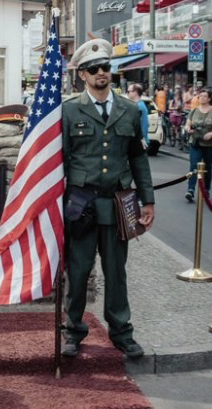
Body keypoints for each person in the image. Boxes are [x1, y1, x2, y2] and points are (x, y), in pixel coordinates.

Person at [61, 39, 154, 360]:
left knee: (117, 272)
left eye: (105, 68)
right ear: (82, 76)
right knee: (78, 270)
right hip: (81, 204)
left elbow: (138, 160)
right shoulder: (69, 110)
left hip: (119, 203)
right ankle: (72, 330)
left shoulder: (129, 109)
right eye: (94, 69)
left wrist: (148, 201)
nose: (102, 73)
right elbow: (59, 158)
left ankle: (122, 332)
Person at [184, 89, 212, 203]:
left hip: (210, 144)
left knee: (207, 167)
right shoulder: (194, 111)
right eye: (200, 96)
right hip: (196, 142)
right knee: (194, 166)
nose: (202, 98)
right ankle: (190, 189)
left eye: (204, 96)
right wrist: (188, 129)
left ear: (209, 99)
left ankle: (206, 190)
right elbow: (187, 124)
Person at [126, 83, 149, 147]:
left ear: (135, 92)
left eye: (128, 91)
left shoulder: (138, 107)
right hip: (140, 139)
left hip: (139, 140)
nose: (127, 94)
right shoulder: (140, 105)